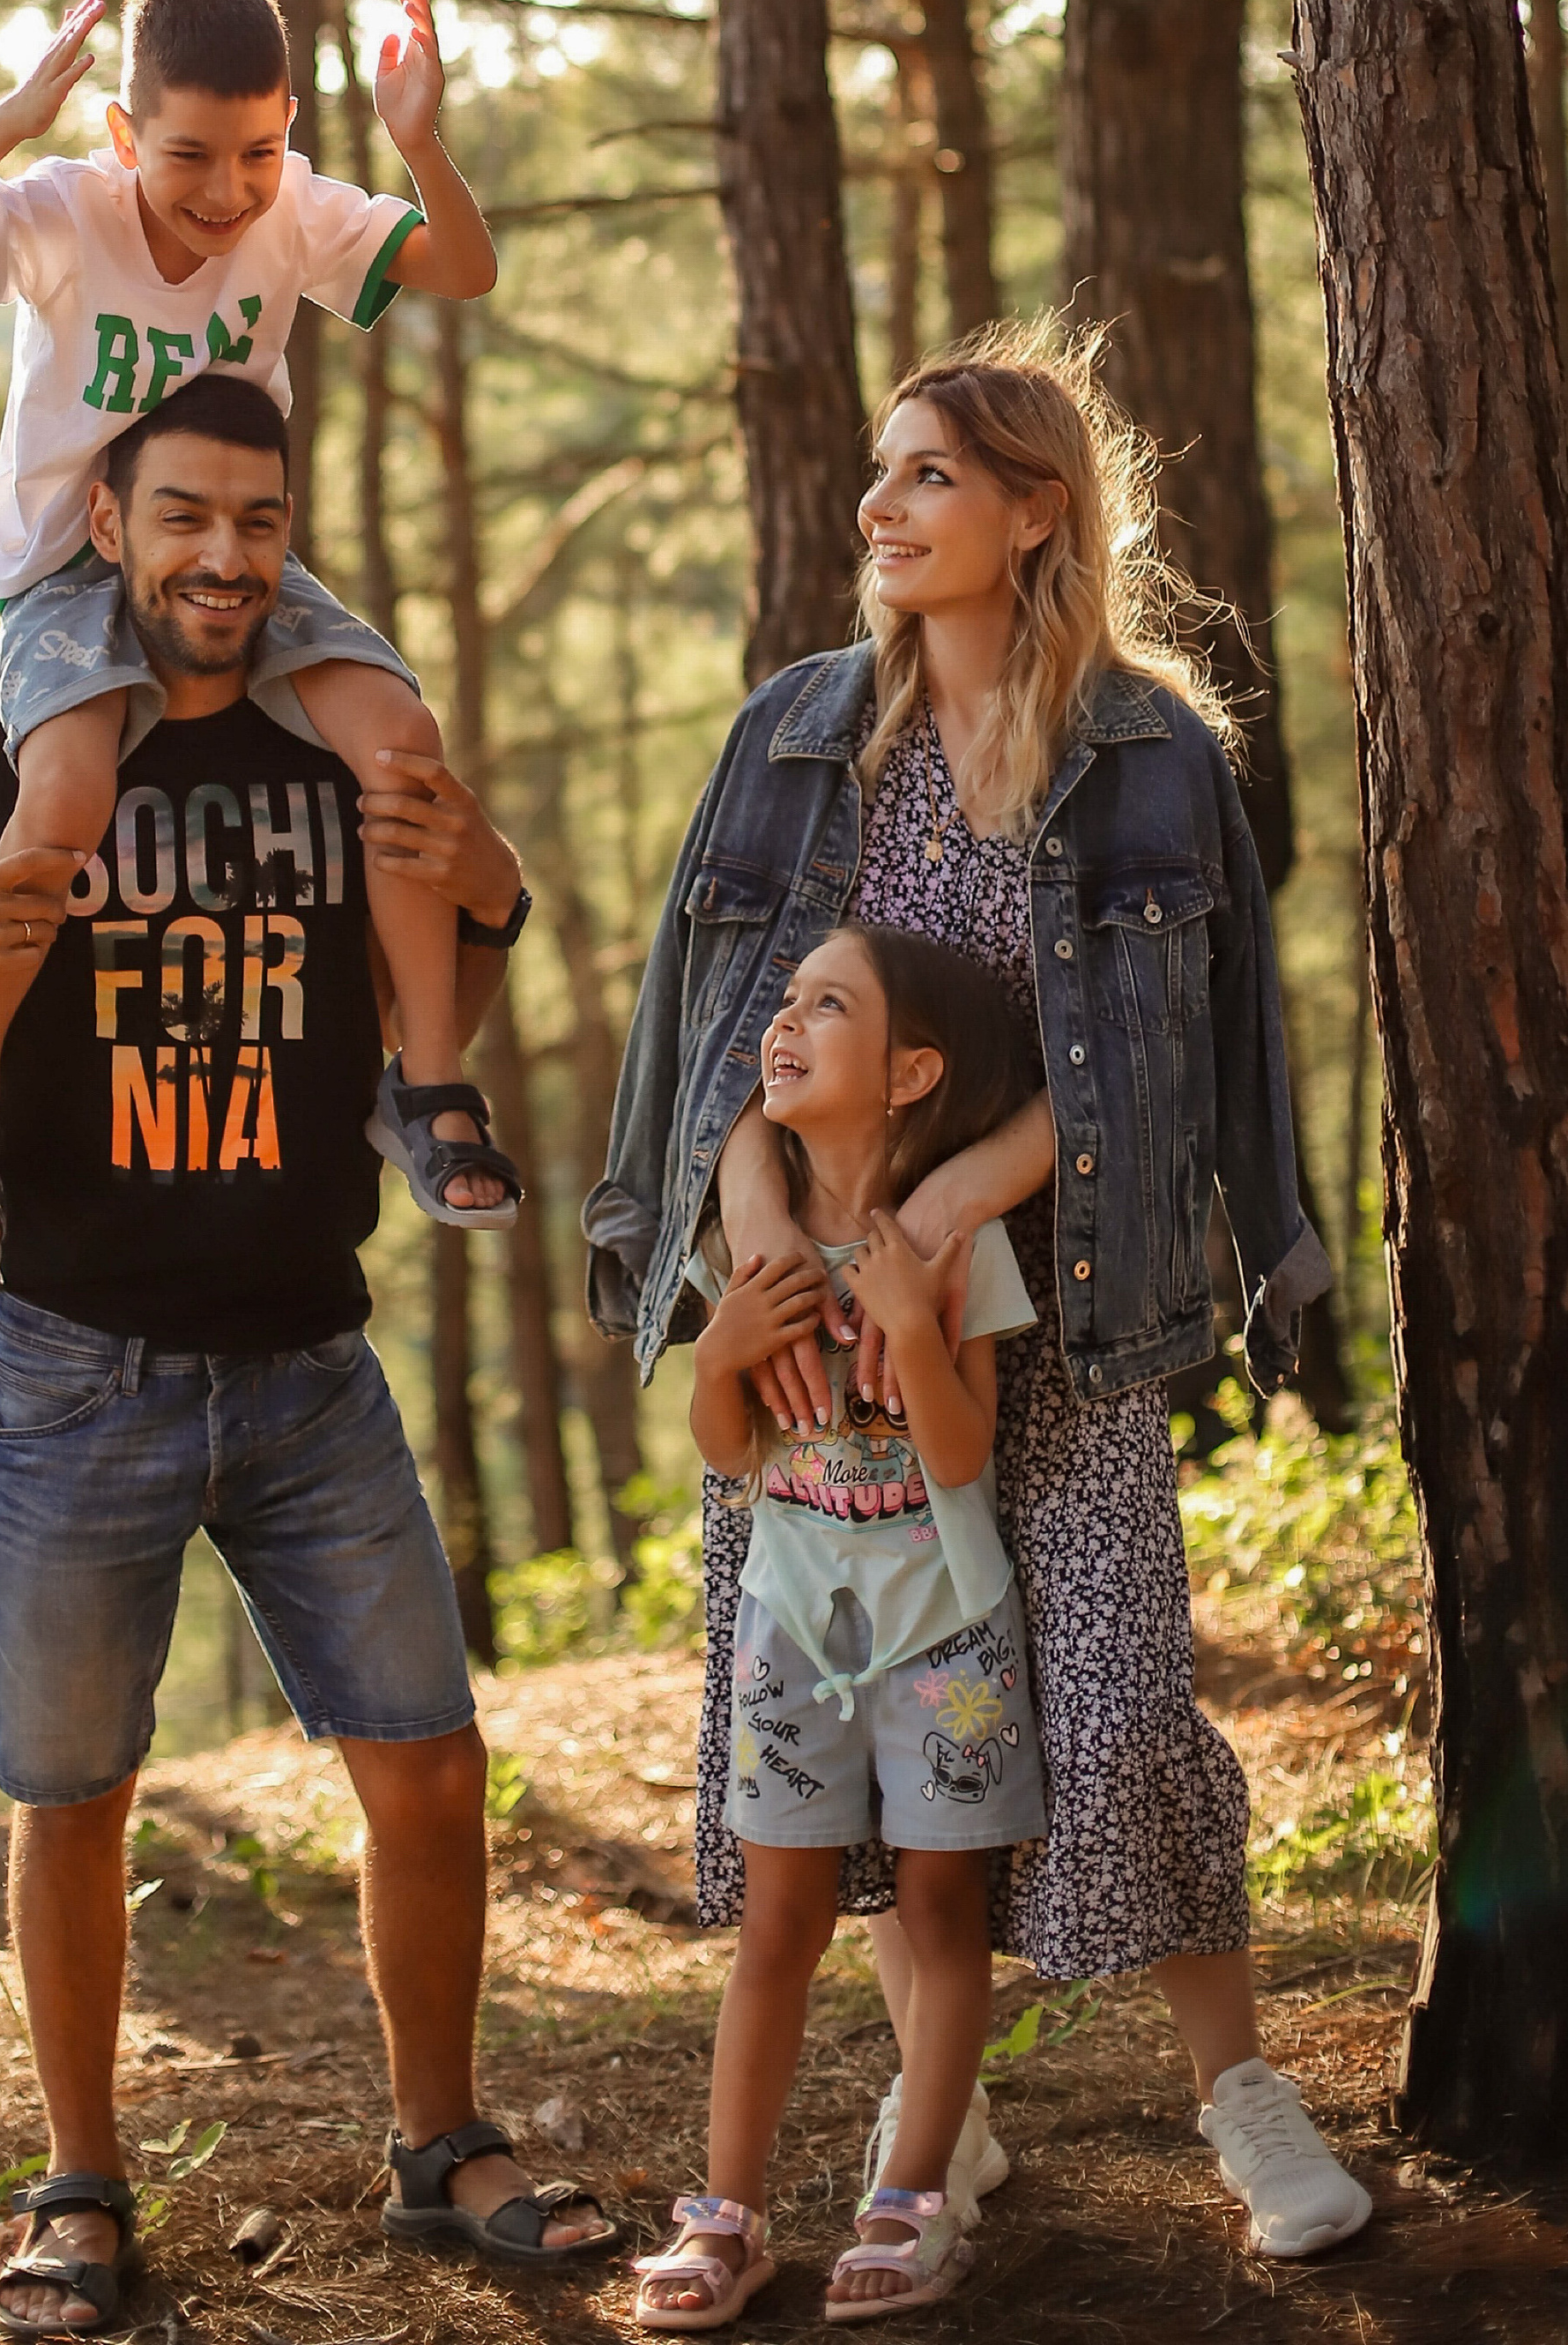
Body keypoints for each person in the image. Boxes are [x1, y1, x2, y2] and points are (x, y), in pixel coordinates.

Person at [0, 376, 614, 2339]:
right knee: (73, 1801)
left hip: (307, 1365)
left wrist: (495, 864)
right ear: (108, 526)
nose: (221, 558)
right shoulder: (4, 736)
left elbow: (469, 932)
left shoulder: (331, 725)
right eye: (182, 516)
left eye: (256, 523)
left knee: (428, 1776)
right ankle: (80, 2185)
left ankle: (438, 2148)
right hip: (76, 1367)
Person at [587, 323, 1373, 2267]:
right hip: (817, 1318)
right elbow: (705, 1026)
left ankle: (1234, 2096)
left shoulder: (1145, 755)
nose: (881, 507)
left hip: (1064, 1299)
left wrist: (949, 1200)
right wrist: (752, 1205)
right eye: (880, 473)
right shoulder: (789, 733)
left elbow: (1184, 1054)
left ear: (1035, 510)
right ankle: (940, 2104)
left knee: (1111, 1719)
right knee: (847, 1711)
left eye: (927, 473)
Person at [0, 0, 521, 1244]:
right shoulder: (68, 210)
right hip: (69, 565)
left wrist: (422, 142)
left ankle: (428, 1082)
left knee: (401, 740)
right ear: (123, 136)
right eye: (190, 157)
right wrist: (11, 114)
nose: (228, 194)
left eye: (260, 152)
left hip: (228, 551)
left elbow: (463, 269)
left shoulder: (294, 213)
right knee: (62, 791)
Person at [633, 925, 1046, 2331]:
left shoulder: (957, 1243)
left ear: (911, 1071)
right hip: (788, 1637)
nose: (784, 1023)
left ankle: (914, 2199)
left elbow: (960, 1453)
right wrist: (722, 1355)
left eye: (830, 1006)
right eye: (787, 1001)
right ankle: (727, 2216)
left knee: (941, 1912)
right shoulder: (745, 1244)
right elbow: (727, 1452)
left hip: (949, 1643)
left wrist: (910, 1329)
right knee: (776, 1924)